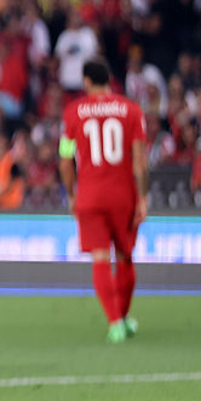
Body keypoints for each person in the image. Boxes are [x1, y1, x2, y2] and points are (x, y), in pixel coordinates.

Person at [58, 59, 148, 343]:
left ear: (86, 81)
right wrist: (143, 197)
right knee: (125, 257)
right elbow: (140, 161)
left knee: (100, 258)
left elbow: (65, 160)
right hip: (123, 195)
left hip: (90, 195)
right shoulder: (132, 110)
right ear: (109, 80)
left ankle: (114, 322)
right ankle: (123, 316)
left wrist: (71, 195)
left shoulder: (73, 112)